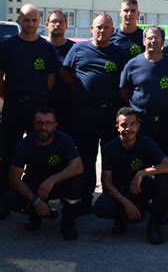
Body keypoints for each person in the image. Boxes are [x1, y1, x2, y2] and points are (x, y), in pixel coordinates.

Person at [62, 13, 127, 204]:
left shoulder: (119, 53)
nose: (102, 30)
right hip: (85, 114)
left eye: (106, 27)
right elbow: (65, 73)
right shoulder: (78, 49)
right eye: (98, 27)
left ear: (112, 31)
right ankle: (85, 196)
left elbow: (126, 81)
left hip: (110, 114)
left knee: (111, 156)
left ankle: (110, 196)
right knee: (86, 156)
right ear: (91, 28)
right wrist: (80, 89)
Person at [120, 25, 168, 211]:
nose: (153, 41)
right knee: (140, 162)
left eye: (157, 38)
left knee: (167, 163)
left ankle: (166, 203)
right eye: (149, 38)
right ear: (143, 40)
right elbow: (124, 92)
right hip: (142, 124)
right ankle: (138, 202)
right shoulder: (133, 64)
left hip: (167, 123)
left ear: (163, 42)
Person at [0, 108, 84, 240]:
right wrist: (35, 200)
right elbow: (14, 179)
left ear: (55, 125)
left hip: (58, 184)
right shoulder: (25, 144)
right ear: (33, 125)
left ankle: (68, 223)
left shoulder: (64, 139)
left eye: (48, 123)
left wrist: (52, 180)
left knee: (77, 184)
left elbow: (78, 167)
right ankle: (36, 214)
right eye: (39, 123)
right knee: (9, 199)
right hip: (35, 186)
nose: (43, 127)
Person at [92, 107, 168, 244]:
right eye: (123, 125)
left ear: (138, 126)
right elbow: (106, 183)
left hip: (141, 188)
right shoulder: (109, 148)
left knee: (164, 179)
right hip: (121, 192)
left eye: (132, 124)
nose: (128, 128)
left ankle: (154, 224)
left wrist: (142, 172)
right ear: (117, 127)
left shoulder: (147, 142)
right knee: (100, 207)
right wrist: (126, 203)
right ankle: (123, 218)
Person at [0, 4, 58, 193]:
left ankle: (35, 194)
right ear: (19, 20)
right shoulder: (8, 46)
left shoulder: (47, 48)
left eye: (34, 20)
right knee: (8, 151)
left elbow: (50, 78)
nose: (30, 24)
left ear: (40, 21)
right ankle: (6, 195)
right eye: (26, 20)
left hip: (38, 109)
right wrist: (7, 95)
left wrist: (38, 94)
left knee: (39, 151)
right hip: (13, 106)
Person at [45, 9, 75, 135]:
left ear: (66, 25)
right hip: (43, 106)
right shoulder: (39, 47)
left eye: (61, 22)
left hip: (68, 107)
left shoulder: (75, 49)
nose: (57, 24)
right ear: (47, 25)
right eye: (54, 21)